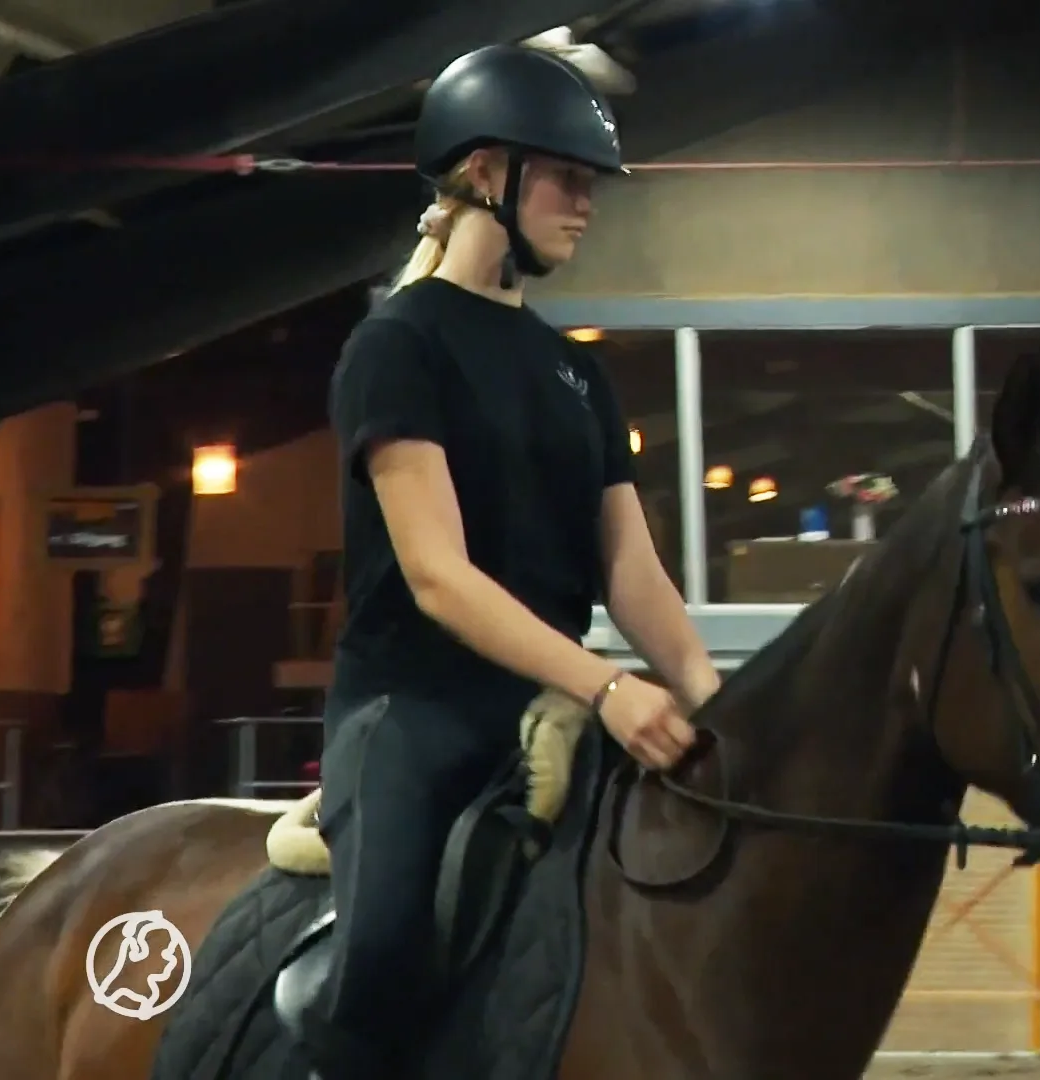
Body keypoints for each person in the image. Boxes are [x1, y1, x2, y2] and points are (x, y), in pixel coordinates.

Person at [306, 42, 720, 1080]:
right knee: (386, 942)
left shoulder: (577, 374)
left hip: (548, 710)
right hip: (414, 710)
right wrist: (609, 684)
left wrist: (709, 695)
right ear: (486, 173)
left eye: (591, 185)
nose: (586, 205)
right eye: (567, 179)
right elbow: (438, 578)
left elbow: (633, 571)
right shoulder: (397, 347)